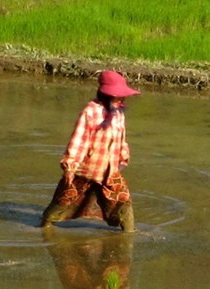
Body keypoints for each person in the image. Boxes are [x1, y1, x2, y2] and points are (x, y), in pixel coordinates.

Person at [43, 70, 140, 231]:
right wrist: (70, 166)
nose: (122, 98)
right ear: (107, 94)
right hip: (86, 169)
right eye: (118, 95)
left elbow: (121, 137)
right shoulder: (91, 111)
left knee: (123, 200)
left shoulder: (119, 112)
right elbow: (78, 140)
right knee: (64, 200)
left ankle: (129, 232)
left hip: (110, 171)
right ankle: (45, 225)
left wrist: (123, 155)